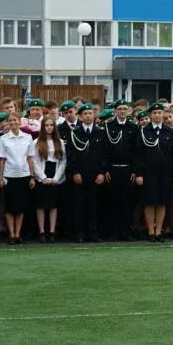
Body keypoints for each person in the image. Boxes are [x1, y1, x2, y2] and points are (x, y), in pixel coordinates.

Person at [135, 102, 173, 243]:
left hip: (165, 173)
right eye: (154, 113)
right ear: (150, 115)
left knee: (162, 202)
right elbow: (139, 154)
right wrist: (139, 173)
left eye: (159, 113)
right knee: (149, 202)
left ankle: (159, 231)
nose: (157, 115)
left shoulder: (169, 131)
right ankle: (150, 231)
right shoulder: (143, 131)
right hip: (149, 173)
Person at [66, 104, 107, 243]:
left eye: (90, 113)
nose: (88, 116)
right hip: (80, 175)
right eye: (85, 114)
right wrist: (75, 172)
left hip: (95, 174)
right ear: (80, 116)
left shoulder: (100, 132)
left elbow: (104, 155)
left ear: (94, 115)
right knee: (79, 205)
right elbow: (71, 155)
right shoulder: (75, 133)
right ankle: (80, 233)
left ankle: (93, 232)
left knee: (94, 205)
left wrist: (102, 172)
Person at [0, 112, 35, 244]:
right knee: (9, 207)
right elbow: (2, 159)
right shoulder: (4, 138)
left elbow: (30, 158)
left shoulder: (28, 137)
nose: (13, 123)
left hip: (24, 175)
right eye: (10, 121)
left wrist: (32, 176)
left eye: (15, 120)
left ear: (20, 121)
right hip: (9, 175)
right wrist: (0, 178)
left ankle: (18, 234)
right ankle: (11, 234)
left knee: (20, 207)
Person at [104, 101, 139, 241]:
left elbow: (136, 151)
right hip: (112, 168)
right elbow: (105, 150)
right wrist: (105, 169)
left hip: (127, 169)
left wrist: (135, 170)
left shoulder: (133, 127)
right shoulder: (108, 126)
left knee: (127, 202)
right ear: (115, 111)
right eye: (119, 109)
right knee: (113, 201)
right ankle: (114, 231)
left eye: (125, 109)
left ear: (129, 111)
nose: (122, 111)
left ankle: (125, 230)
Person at [33, 116, 66, 243]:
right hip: (42, 175)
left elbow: (63, 161)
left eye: (51, 125)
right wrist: (43, 177)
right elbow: (34, 161)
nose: (49, 127)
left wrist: (56, 177)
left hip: (55, 175)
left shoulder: (60, 142)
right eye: (46, 125)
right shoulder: (36, 142)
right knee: (41, 205)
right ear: (43, 127)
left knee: (53, 205)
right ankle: (42, 231)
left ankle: (52, 231)